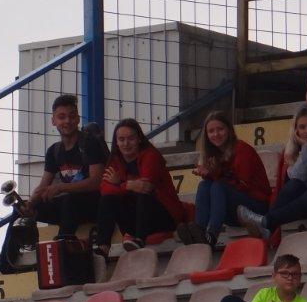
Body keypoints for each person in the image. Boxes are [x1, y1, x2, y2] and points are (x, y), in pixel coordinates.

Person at [237, 105, 307, 239]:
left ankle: (265, 223)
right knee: (294, 185)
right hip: (299, 201)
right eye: (302, 127)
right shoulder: (291, 153)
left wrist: (305, 147)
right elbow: (297, 178)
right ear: (296, 131)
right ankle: (266, 225)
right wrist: (306, 148)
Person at [94, 118, 186, 256]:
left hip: (164, 217)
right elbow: (105, 189)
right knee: (107, 200)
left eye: (131, 138)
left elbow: (146, 186)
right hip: (135, 220)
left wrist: (120, 184)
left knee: (143, 194)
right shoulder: (115, 160)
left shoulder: (151, 155)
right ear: (116, 142)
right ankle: (103, 247)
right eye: (121, 139)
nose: (126, 143)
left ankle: (139, 240)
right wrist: (129, 185)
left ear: (139, 139)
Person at [180, 110, 271, 247]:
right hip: (233, 210)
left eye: (220, 129)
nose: (216, 134)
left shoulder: (242, 149)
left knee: (218, 186)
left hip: (255, 207)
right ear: (206, 135)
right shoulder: (213, 154)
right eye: (211, 131)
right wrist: (210, 174)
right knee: (204, 185)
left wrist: (214, 174)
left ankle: (211, 235)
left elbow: (243, 185)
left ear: (229, 129)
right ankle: (199, 233)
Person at [23, 94, 105, 238]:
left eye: (72, 116)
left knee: (69, 201)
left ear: (78, 119)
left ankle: (61, 247)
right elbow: (43, 185)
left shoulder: (90, 143)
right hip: (71, 208)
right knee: (20, 209)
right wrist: (29, 203)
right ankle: (6, 259)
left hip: (94, 206)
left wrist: (60, 187)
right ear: (53, 121)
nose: (67, 121)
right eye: (61, 117)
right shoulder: (54, 151)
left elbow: (96, 182)